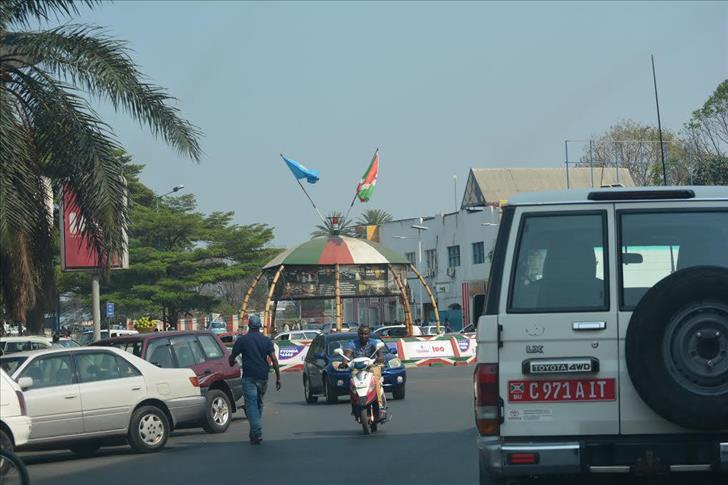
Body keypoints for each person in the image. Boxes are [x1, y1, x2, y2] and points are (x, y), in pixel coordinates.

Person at [228, 315, 281, 444]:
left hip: (249, 376)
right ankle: (254, 434)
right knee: (258, 403)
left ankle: (256, 430)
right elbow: (274, 359)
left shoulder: (242, 340)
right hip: (263, 376)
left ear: (249, 326)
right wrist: (278, 378)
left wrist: (231, 363)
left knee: (251, 404)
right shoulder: (266, 340)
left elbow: (232, 357)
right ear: (260, 326)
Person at [341, 325, 387, 421]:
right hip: (357, 369)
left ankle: (381, 408)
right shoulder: (352, 344)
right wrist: (344, 363)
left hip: (372, 367)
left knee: (377, 382)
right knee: (351, 384)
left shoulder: (374, 343)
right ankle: (354, 406)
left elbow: (380, 354)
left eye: (365, 334)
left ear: (369, 335)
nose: (363, 336)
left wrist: (380, 358)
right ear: (358, 334)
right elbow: (347, 355)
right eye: (361, 334)